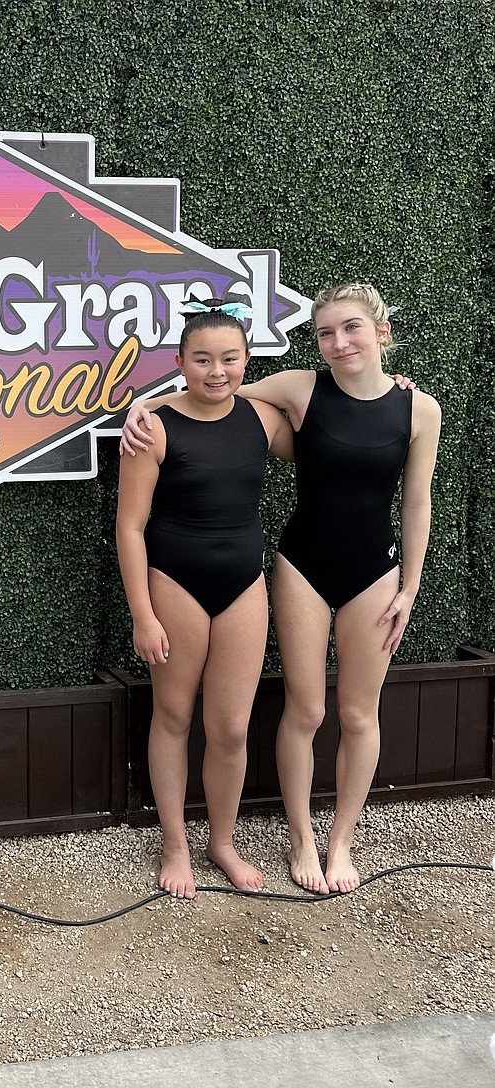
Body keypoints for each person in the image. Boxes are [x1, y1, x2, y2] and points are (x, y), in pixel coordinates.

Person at [121, 283, 441, 895]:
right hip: (234, 577)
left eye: (352, 328)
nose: (339, 342)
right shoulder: (193, 420)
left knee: (290, 721)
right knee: (210, 712)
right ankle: (210, 844)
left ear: (381, 332)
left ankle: (277, 842)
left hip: (306, 579)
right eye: (326, 333)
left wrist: (410, 584)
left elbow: (383, 476)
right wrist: (142, 405)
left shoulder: (391, 411)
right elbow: (206, 401)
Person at [116, 300, 294, 899]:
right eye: (202, 359)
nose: (216, 371)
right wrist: (142, 613)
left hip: (244, 585)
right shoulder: (154, 427)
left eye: (230, 359)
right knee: (173, 716)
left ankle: (222, 841)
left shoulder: (264, 421)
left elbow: (339, 414)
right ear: (179, 362)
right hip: (175, 584)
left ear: (248, 360)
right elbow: (130, 528)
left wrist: (391, 381)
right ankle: (174, 843)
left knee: (232, 728)